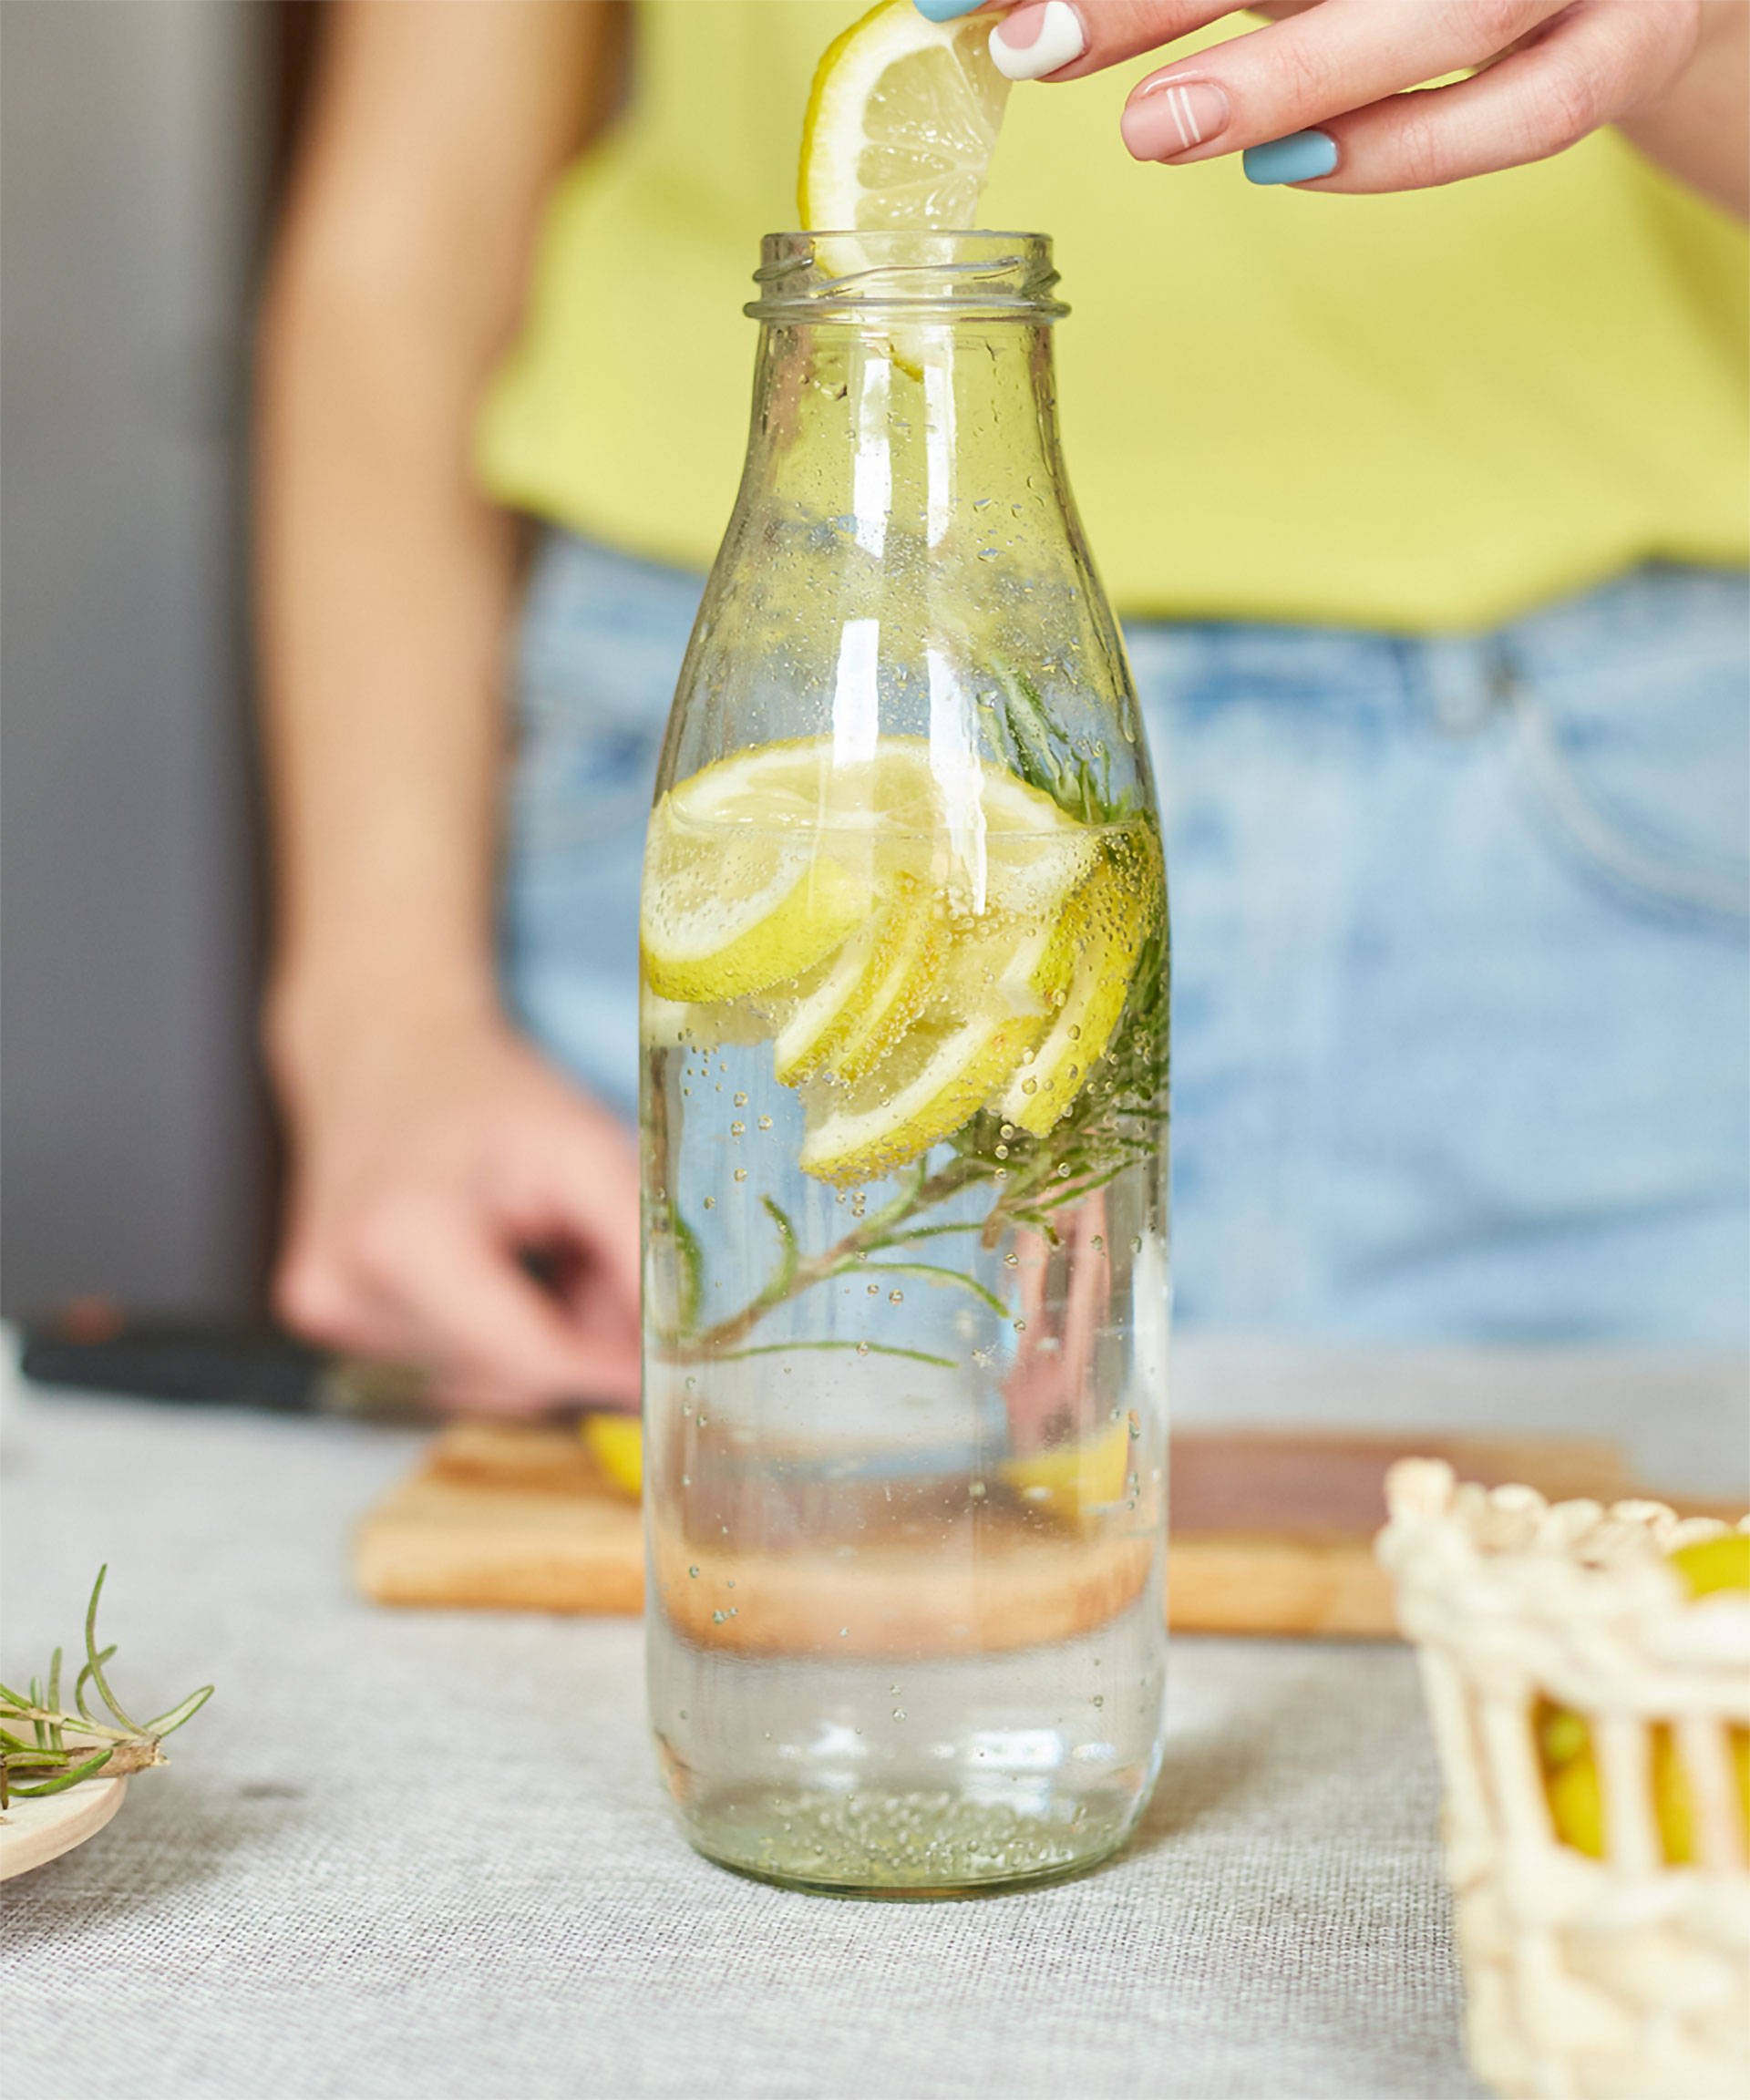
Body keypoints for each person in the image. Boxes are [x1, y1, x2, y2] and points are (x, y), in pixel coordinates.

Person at [256, 0, 1748, 1415]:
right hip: (789, 801)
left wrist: (1679, 41)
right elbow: (413, 232)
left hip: (1632, 876)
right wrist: (384, 1016)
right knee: (704, 1632)